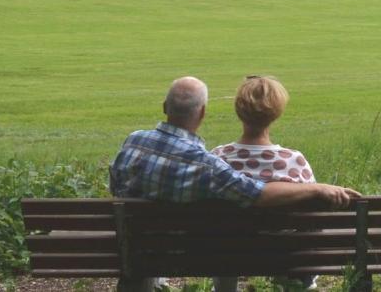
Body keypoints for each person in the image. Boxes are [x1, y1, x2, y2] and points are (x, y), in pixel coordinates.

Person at [109, 76, 360, 291]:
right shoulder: (207, 167)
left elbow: (116, 183)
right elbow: (257, 194)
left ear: (165, 106)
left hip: (138, 248)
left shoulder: (134, 141)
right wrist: (317, 188)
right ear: (203, 113)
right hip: (279, 255)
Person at [211, 76, 319, 292]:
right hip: (283, 253)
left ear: (239, 111)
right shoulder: (294, 161)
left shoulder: (217, 158)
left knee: (223, 238)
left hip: (227, 253)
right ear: (276, 113)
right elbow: (313, 216)